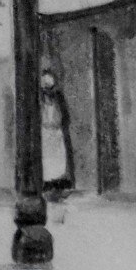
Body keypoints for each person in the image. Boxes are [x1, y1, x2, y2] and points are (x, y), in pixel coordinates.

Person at [39, 68, 75, 202]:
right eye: (45, 88)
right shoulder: (40, 100)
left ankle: (59, 184)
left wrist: (59, 124)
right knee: (47, 158)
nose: (48, 92)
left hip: (56, 131)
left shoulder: (59, 98)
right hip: (45, 131)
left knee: (59, 158)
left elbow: (65, 115)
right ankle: (48, 185)